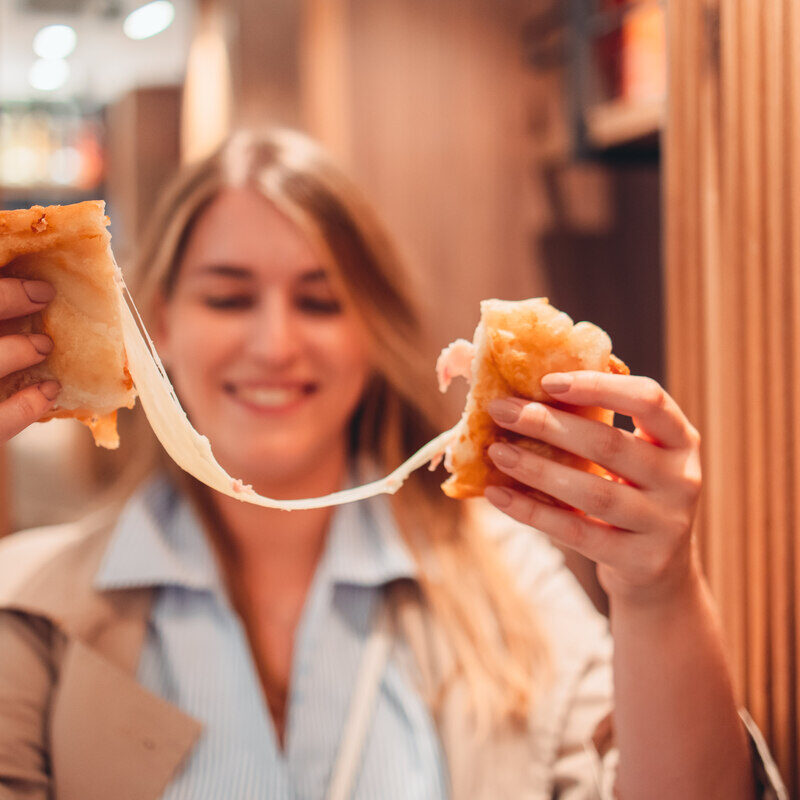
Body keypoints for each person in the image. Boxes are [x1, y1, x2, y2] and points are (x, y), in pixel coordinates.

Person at [0, 129, 785, 800]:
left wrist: (659, 591)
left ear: (371, 330)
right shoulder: (29, 606)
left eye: (320, 300)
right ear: (159, 326)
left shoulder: (507, 580)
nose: (275, 344)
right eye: (230, 298)